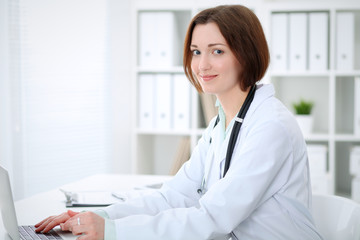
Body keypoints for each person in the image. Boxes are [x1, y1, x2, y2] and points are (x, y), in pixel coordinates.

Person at [35, 5, 323, 240]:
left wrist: (112, 232)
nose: (201, 65)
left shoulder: (270, 127)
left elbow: (213, 217)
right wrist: (102, 217)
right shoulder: (218, 127)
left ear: (246, 55)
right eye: (196, 51)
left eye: (217, 51)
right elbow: (172, 196)